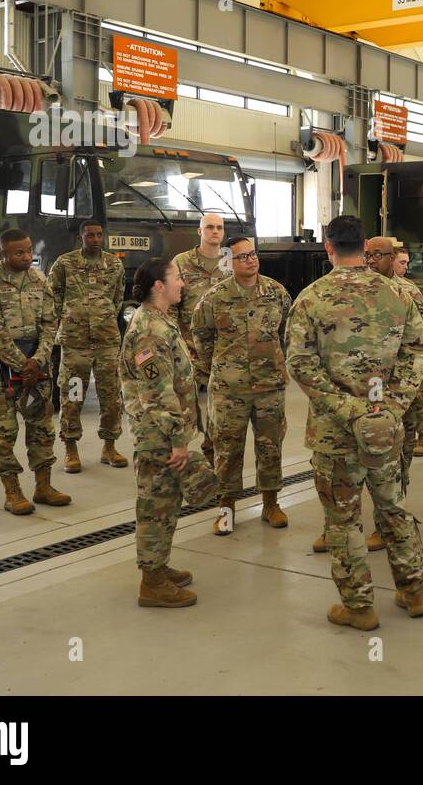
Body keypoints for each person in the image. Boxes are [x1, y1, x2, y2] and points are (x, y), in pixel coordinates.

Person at [286, 215, 423, 630]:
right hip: (385, 426)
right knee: (394, 507)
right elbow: (419, 350)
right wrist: (393, 405)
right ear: (365, 246)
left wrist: (347, 408)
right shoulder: (396, 293)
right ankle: (413, 590)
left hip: (335, 430)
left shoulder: (311, 298)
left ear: (328, 248)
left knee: (343, 519)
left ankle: (359, 606)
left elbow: (299, 362)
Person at [120, 258, 221, 608]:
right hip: (158, 436)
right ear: (158, 286)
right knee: (155, 506)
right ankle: (151, 582)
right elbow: (156, 395)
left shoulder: (161, 321)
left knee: (167, 504)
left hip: (165, 432)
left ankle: (159, 567)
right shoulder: (149, 330)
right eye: (176, 278)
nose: (183, 283)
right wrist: (178, 441)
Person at [191, 236, 291, 536]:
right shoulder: (215, 297)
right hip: (229, 388)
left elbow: (285, 329)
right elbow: (201, 335)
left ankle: (271, 504)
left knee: (270, 447)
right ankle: (226, 509)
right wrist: (218, 369)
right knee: (227, 450)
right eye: (243, 256)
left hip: (269, 386)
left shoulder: (276, 292)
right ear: (229, 262)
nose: (251, 260)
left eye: (253, 254)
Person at [0, 228, 70, 515]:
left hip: (36, 364)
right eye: (19, 252)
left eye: (29, 250)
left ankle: (43, 486)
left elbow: (51, 323)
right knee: (4, 430)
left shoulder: (39, 280)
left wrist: (38, 360)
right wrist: (21, 363)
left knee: (42, 426)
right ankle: (12, 490)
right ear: (4, 254)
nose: (27, 256)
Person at [48, 220, 128, 473]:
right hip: (74, 343)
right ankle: (70, 448)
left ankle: (110, 447)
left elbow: (118, 297)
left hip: (107, 341)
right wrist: (71, 316)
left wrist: (101, 316)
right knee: (72, 396)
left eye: (99, 235)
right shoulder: (65, 263)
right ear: (81, 236)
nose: (95, 239)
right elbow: (53, 295)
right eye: (90, 235)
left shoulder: (114, 264)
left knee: (112, 396)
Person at [171, 212, 232, 466]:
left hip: (224, 348)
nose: (215, 232)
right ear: (200, 231)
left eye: (219, 228)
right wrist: (176, 341)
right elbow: (172, 304)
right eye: (209, 227)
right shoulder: (182, 262)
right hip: (190, 347)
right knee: (186, 406)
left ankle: (212, 453)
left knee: (221, 408)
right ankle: (179, 454)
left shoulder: (230, 261)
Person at [393, 245, 423, 457]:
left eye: (407, 263)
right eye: (402, 262)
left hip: (411, 352)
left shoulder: (410, 289)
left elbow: (421, 322)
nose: (405, 267)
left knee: (419, 395)